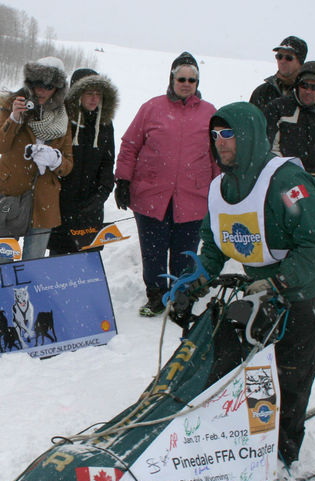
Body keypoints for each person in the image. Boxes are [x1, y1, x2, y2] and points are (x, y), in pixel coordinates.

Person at [197, 101, 315, 466]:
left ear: (246, 135)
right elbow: (214, 243)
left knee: (289, 374)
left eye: (227, 134)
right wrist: (195, 281)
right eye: (214, 135)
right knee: (248, 369)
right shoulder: (222, 187)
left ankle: (282, 454)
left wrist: (278, 282)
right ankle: (242, 434)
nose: (220, 142)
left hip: (310, 289)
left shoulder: (286, 182)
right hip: (265, 292)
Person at [114, 51, 219, 316]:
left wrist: (220, 192)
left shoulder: (210, 113)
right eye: (181, 78)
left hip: (193, 198)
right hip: (151, 196)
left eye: (191, 80)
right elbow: (130, 146)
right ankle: (157, 296)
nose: (186, 83)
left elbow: (217, 155)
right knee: (154, 252)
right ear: (171, 79)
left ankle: (181, 298)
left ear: (197, 83)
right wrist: (123, 180)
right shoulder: (152, 108)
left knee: (186, 254)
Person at [0, 56, 73, 261]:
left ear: (58, 88)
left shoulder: (63, 117)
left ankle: (25, 294)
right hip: (10, 194)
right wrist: (14, 119)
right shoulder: (12, 105)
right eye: (37, 84)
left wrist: (55, 160)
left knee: (33, 265)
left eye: (49, 86)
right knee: (1, 262)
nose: (42, 90)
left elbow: (69, 163)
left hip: (45, 201)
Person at [47, 68, 118, 255]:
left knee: (88, 261)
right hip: (61, 204)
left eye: (98, 94)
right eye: (89, 93)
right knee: (59, 259)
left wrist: (101, 194)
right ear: (77, 93)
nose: (94, 98)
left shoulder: (105, 123)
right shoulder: (62, 120)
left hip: (91, 206)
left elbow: (108, 162)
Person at [265, 61, 315, 202]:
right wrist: (293, 176)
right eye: (304, 85)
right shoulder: (278, 109)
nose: (308, 91)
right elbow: (268, 150)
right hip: (280, 190)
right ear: (297, 85)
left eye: (314, 87)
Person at [249, 36, 307, 115]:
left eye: (288, 57)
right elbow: (251, 123)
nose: (282, 61)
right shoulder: (262, 92)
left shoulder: (309, 91)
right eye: (279, 56)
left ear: (300, 61)